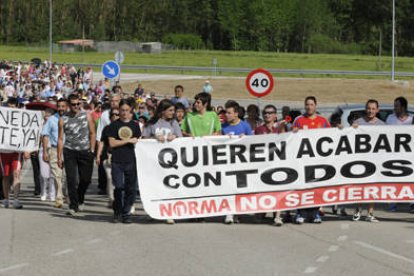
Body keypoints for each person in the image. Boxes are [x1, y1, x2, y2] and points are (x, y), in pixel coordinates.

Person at [142, 99, 182, 224]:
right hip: (153, 162)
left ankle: (169, 212)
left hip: (170, 163)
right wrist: (154, 138)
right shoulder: (152, 123)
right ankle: (153, 211)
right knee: (154, 187)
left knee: (169, 187)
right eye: (170, 110)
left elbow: (181, 139)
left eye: (173, 110)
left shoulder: (174, 123)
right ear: (162, 111)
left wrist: (174, 137)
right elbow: (143, 139)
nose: (172, 113)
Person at [292, 96, 330, 224]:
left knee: (315, 187)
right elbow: (290, 138)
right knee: (302, 187)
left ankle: (315, 214)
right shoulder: (299, 120)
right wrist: (294, 132)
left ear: (316, 105)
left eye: (311, 104)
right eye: (307, 104)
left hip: (318, 160)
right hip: (302, 160)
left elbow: (332, 136)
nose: (309, 107)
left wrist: (341, 129)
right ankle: (300, 213)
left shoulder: (323, 121)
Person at [57, 94, 96, 216]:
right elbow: (60, 138)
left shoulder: (87, 116)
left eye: (78, 104)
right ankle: (73, 205)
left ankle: (80, 197)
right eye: (73, 104)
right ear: (69, 105)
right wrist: (59, 156)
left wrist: (92, 149)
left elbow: (92, 133)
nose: (76, 106)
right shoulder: (63, 119)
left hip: (85, 151)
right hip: (70, 151)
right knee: (71, 179)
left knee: (86, 179)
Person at [108, 99, 141, 223]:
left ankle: (126, 213)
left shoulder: (135, 125)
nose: (124, 113)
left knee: (131, 189)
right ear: (119, 110)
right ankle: (117, 212)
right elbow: (112, 143)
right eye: (122, 110)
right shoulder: (114, 125)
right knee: (119, 187)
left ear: (130, 111)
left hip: (131, 160)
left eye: (127, 110)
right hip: (117, 160)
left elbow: (139, 141)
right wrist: (127, 141)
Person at [352, 99, 384, 222]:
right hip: (360, 160)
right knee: (360, 186)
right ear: (366, 109)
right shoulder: (358, 122)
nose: (370, 111)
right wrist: (352, 128)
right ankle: (358, 209)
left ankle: (370, 213)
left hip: (376, 161)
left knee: (373, 187)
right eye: (368, 108)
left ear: (377, 110)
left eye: (373, 109)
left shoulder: (383, 125)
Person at [221, 100, 253, 224]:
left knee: (239, 188)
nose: (226, 115)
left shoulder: (245, 126)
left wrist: (244, 140)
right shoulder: (223, 126)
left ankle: (237, 213)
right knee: (228, 188)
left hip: (242, 163)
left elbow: (252, 143)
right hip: (227, 162)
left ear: (236, 114)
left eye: (229, 113)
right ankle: (229, 213)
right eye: (226, 113)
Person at [255, 104, 286, 226]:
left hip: (277, 163)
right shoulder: (258, 130)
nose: (267, 115)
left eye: (270, 112)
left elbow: (285, 139)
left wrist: (283, 128)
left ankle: (278, 216)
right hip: (263, 164)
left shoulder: (280, 128)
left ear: (275, 115)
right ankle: (262, 211)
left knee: (278, 189)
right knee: (264, 190)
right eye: (265, 113)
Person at [0, 97, 30, 209]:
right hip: (3, 151)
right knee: (6, 176)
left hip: (16, 151)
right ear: (7, 105)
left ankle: (16, 199)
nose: (11, 106)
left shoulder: (22, 117)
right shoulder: (1, 116)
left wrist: (27, 149)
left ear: (17, 105)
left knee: (16, 174)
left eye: (13, 104)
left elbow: (26, 132)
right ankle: (6, 199)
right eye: (10, 104)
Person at [42, 98, 67, 208]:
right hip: (54, 149)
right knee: (58, 175)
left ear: (66, 106)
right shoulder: (51, 119)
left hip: (69, 150)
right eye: (59, 106)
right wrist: (44, 152)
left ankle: (67, 195)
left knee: (67, 176)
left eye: (63, 106)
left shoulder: (71, 118)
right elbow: (45, 135)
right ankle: (59, 198)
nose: (61, 108)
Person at [96, 94, 121, 195]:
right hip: (106, 143)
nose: (114, 103)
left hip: (119, 143)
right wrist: (98, 149)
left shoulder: (123, 112)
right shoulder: (105, 114)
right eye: (112, 101)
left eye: (116, 101)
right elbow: (100, 131)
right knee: (103, 165)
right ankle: (103, 186)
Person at [39, 108, 56, 202]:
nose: (47, 117)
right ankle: (43, 192)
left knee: (53, 174)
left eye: (49, 116)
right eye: (45, 115)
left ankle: (52, 194)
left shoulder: (55, 124)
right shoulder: (40, 125)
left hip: (53, 150)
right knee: (43, 174)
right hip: (42, 150)